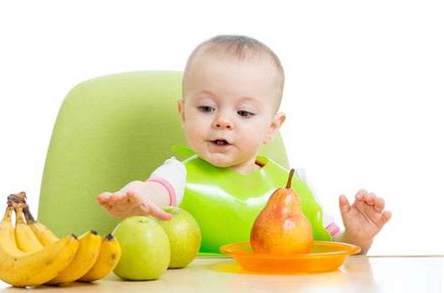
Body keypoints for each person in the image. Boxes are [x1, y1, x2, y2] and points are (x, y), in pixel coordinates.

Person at [97, 35, 392, 254]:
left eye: (244, 113)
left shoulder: (291, 189)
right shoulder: (178, 175)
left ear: (271, 127)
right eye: (206, 108)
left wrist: (356, 238)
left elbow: (329, 248)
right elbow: (156, 192)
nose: (223, 121)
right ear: (183, 113)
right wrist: (138, 196)